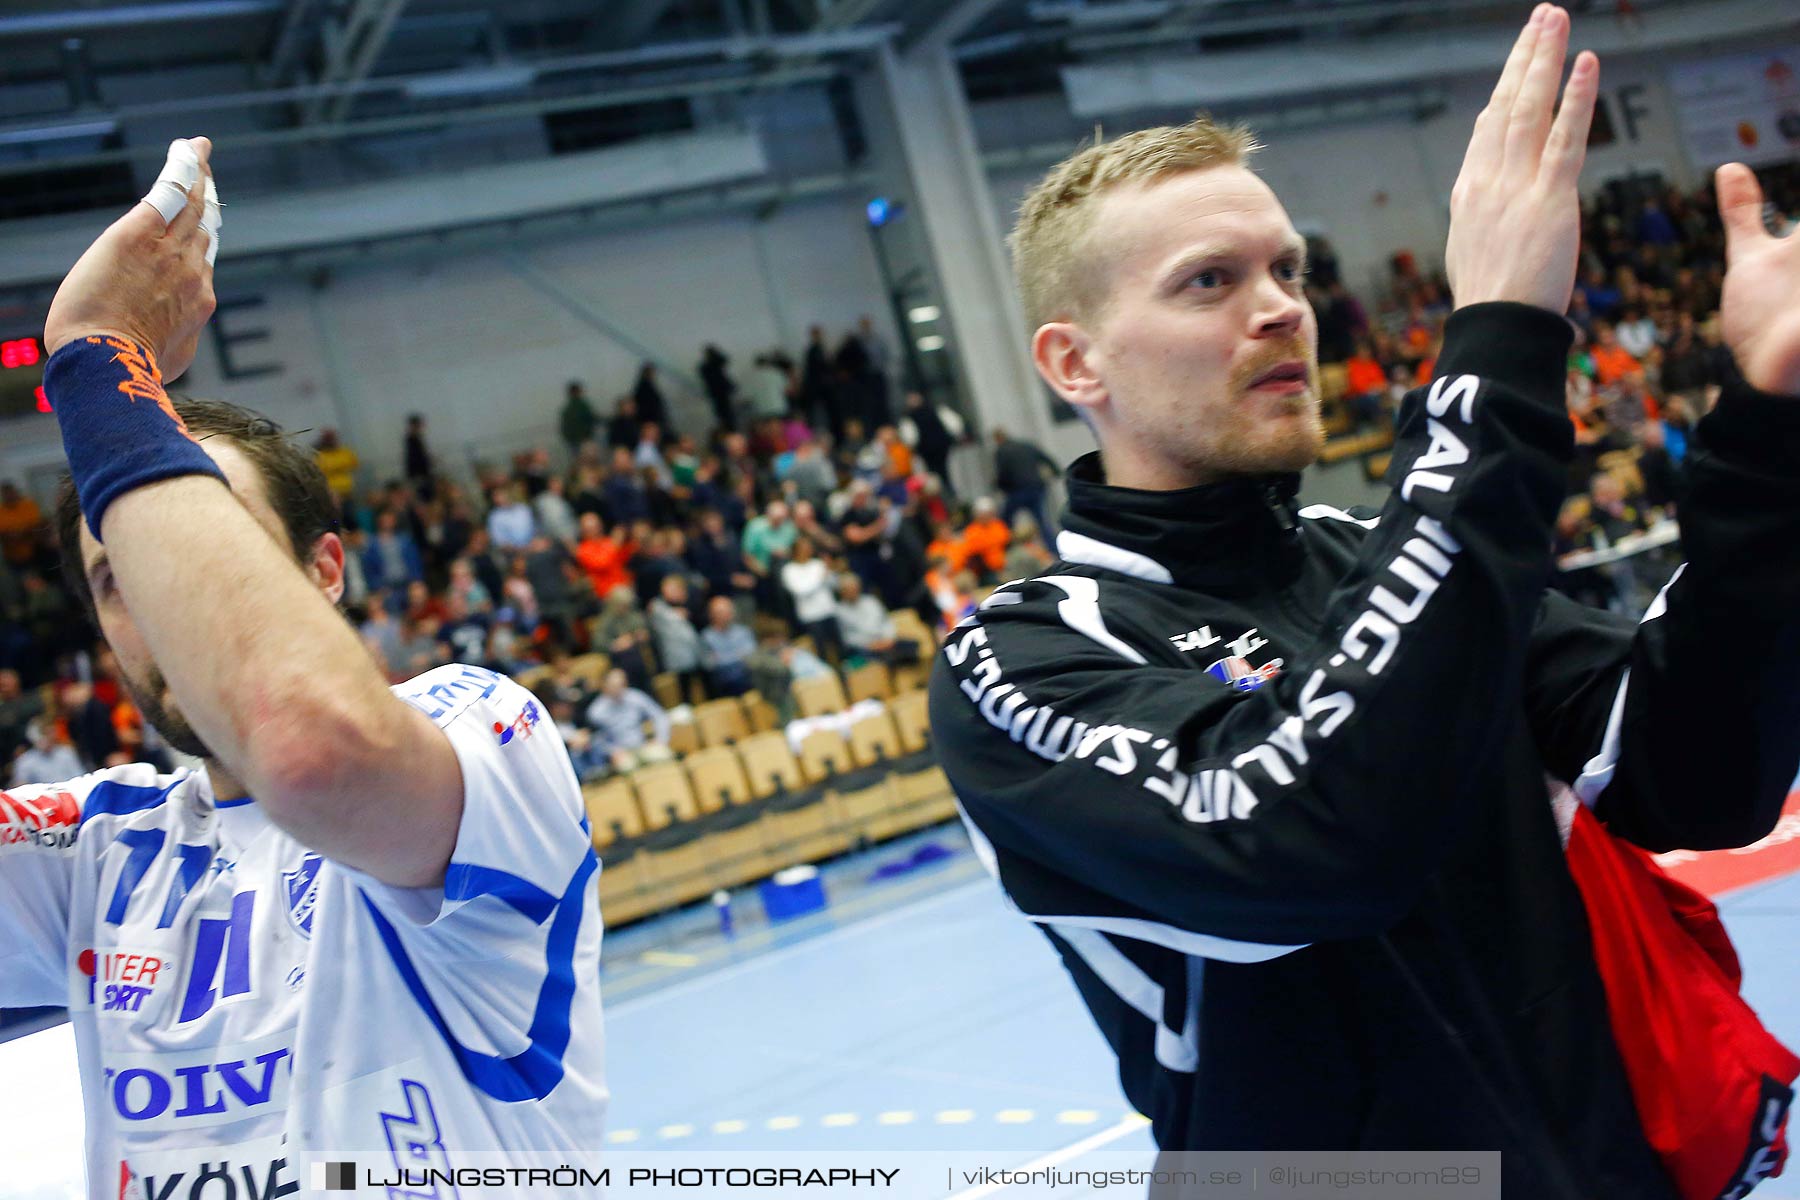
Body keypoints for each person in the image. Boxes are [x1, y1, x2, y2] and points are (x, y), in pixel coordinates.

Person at [929, 11, 1800, 1195]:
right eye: (1209, 282)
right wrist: (1498, 342)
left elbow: (1691, 774)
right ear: (1075, 365)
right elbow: (1310, 839)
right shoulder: (1020, 658)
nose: (1285, 306)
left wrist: (1765, 431)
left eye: (1288, 268)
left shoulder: (1370, 556)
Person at [3, 138, 605, 1191]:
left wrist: (101, 356)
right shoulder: (92, 849)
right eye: (117, 580)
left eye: (200, 551)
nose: (162, 600)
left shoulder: (481, 729)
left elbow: (310, 746)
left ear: (322, 569)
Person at [582, 668, 673, 775]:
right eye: (614, 685)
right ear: (605, 686)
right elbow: (595, 739)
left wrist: (660, 739)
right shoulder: (595, 712)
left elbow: (659, 716)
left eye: (621, 684)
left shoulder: (635, 696)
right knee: (627, 767)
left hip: (643, 745)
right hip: (620, 753)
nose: (619, 689)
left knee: (663, 756)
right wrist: (612, 752)